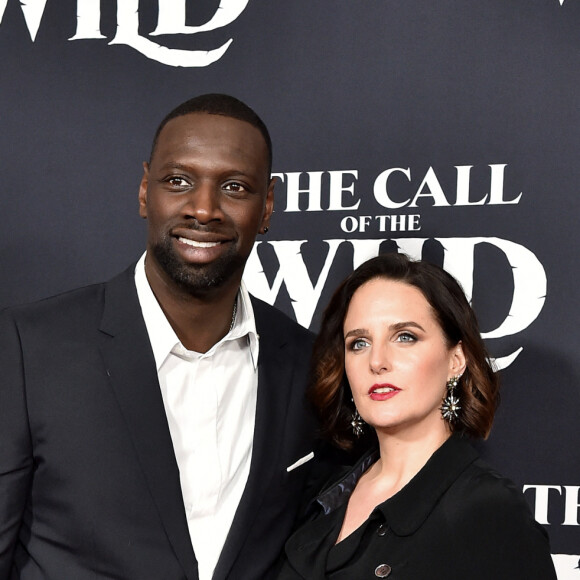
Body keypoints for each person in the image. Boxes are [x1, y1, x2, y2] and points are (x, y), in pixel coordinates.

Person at [0, 94, 318, 580]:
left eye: (234, 186)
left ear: (268, 205)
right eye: (179, 181)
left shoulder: (308, 363)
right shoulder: (29, 348)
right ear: (145, 190)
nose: (204, 209)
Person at [278, 253, 557, 580]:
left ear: (456, 360)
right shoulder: (323, 495)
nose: (377, 361)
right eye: (359, 343)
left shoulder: (489, 510)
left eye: (405, 337)